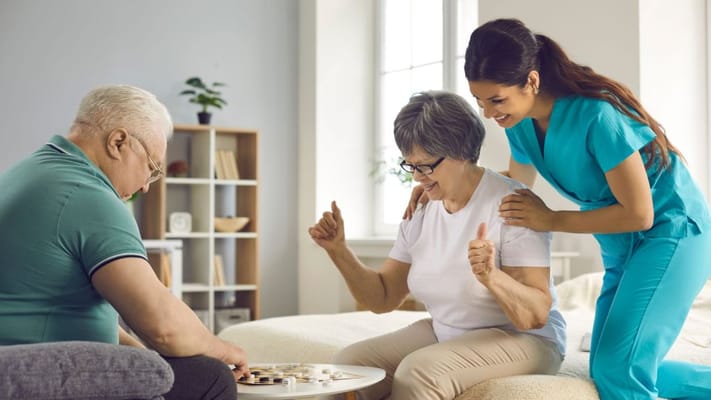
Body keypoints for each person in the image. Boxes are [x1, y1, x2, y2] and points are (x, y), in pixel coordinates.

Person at [407, 18, 711, 400]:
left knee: (620, 368)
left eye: (496, 100)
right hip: (619, 243)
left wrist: (550, 219)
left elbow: (640, 214)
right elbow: (510, 187)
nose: (487, 113)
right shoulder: (519, 123)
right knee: (606, 366)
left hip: (673, 234)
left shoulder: (598, 116)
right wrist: (437, 181)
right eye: (480, 101)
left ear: (531, 81)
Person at [309, 90, 566, 400]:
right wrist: (338, 250)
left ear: (462, 153)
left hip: (526, 339)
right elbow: (383, 298)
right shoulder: (422, 207)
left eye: (426, 166)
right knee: (348, 368)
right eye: (411, 166)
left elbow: (535, 315)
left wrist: (490, 276)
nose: (418, 178)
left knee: (418, 372)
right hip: (448, 332)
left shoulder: (513, 205)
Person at [0, 85, 249, 399]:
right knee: (210, 377)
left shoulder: (24, 175)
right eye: (152, 167)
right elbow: (163, 326)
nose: (146, 186)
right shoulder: (89, 195)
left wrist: (144, 354)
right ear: (118, 142)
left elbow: (69, 305)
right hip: (43, 370)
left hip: (13, 361)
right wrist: (223, 349)